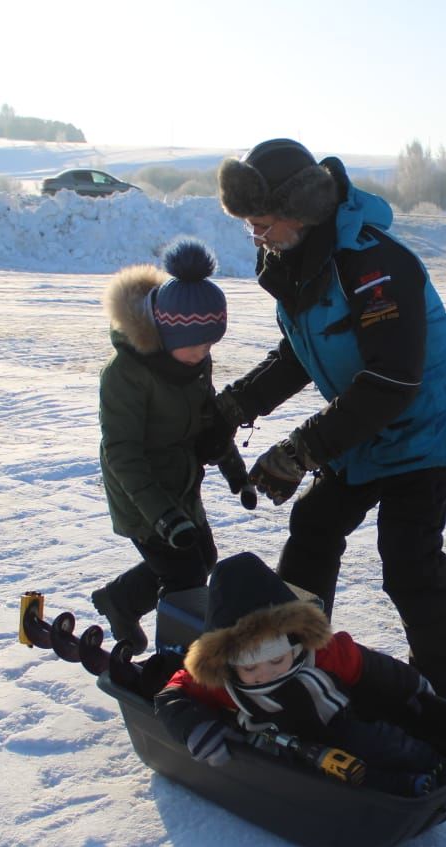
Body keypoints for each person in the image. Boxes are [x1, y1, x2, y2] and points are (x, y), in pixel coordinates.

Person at [207, 138, 446, 701]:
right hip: (366, 425)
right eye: (250, 227)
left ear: (300, 212)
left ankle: (445, 700)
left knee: (410, 562)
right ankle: (295, 659)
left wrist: (300, 451)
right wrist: (236, 405)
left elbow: (392, 381)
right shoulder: (295, 260)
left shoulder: (374, 265)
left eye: (263, 224)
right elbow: (300, 353)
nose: (257, 238)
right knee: (314, 527)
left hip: (425, 427)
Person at [154, 552, 442, 796]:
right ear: (227, 663)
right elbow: (171, 695)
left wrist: (415, 688)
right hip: (278, 749)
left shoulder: (324, 655)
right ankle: (410, 787)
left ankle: (435, 762)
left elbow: (376, 669)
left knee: (378, 743)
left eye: (276, 660)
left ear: (297, 643)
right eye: (250, 668)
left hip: (339, 722)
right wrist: (195, 726)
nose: (264, 674)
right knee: (341, 778)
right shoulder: (221, 682)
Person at [91, 238, 255, 653]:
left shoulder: (193, 363)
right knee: (184, 577)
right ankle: (177, 665)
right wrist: (162, 517)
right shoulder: (125, 374)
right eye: (197, 342)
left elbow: (208, 424)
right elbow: (122, 453)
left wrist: (237, 474)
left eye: (211, 343)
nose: (205, 352)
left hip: (180, 484)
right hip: (141, 495)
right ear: (164, 331)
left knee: (204, 557)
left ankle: (121, 600)